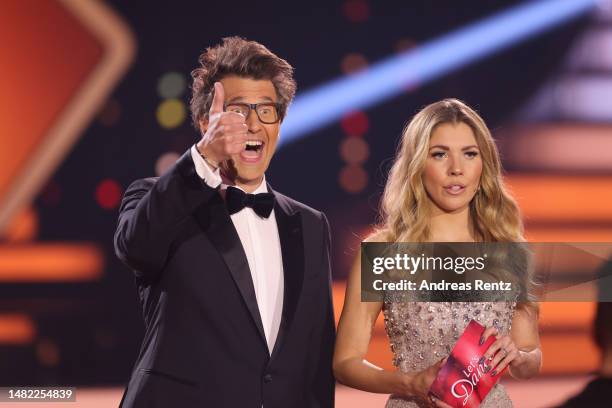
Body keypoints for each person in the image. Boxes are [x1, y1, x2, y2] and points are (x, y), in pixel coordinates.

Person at [114, 37, 335, 408]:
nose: (251, 124)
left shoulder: (311, 225)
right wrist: (204, 158)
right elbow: (135, 247)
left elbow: (316, 356)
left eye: (266, 110)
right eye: (235, 111)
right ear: (206, 123)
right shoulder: (161, 199)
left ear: (280, 123)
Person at [333, 99, 542, 407]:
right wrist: (411, 383)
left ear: (484, 164)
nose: (456, 169)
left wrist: (518, 357)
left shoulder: (509, 251)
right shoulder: (383, 252)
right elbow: (345, 362)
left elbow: (531, 355)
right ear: (418, 163)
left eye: (470, 154)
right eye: (440, 154)